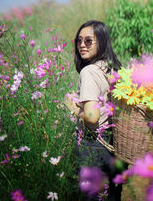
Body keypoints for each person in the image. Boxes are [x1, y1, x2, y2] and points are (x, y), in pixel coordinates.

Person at [66, 20, 123, 201]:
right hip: (113, 145)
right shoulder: (112, 68)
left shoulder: (89, 72)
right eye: (79, 40)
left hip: (93, 145)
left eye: (89, 41)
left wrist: (73, 108)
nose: (82, 45)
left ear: (102, 42)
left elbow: (91, 117)